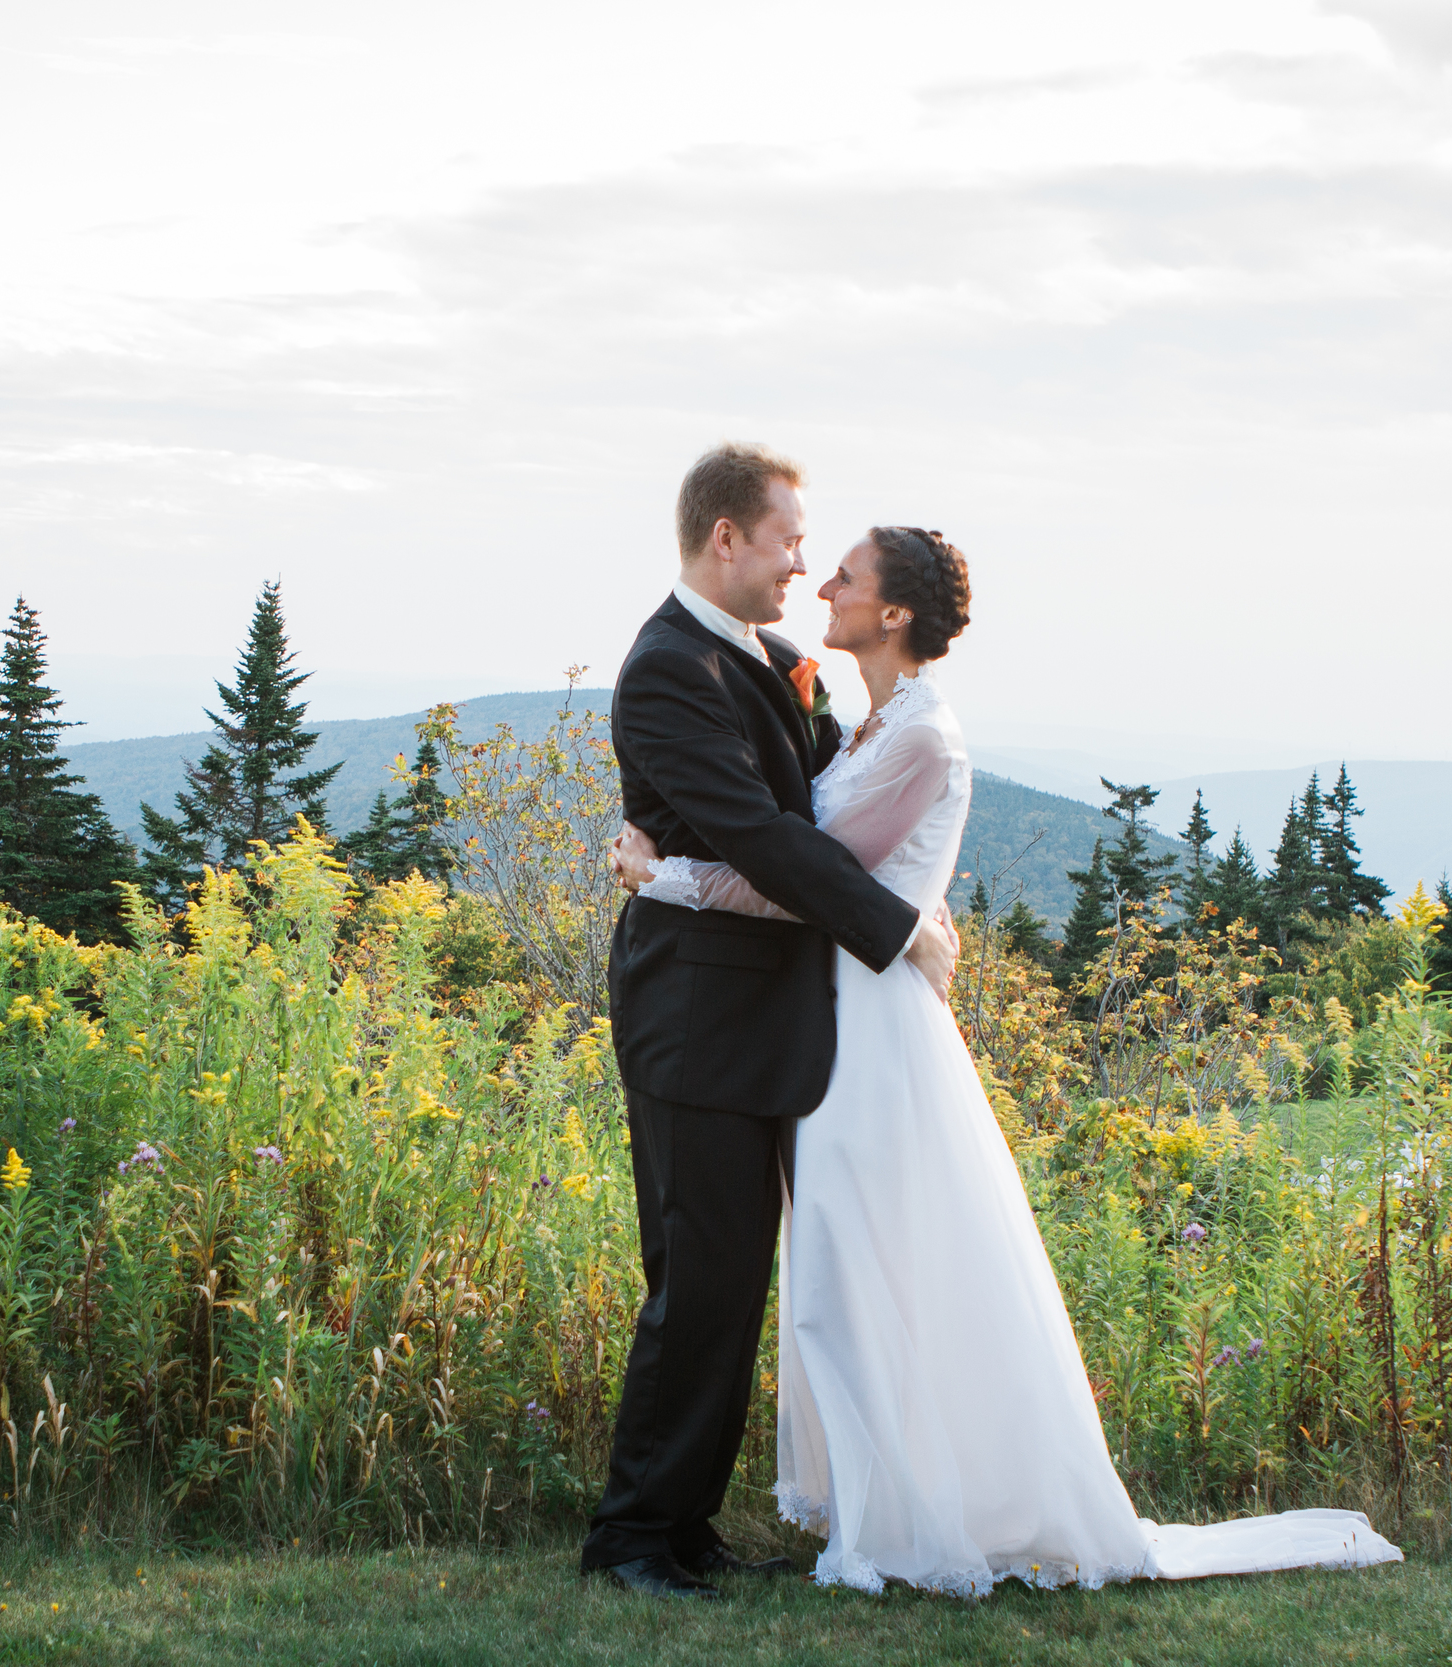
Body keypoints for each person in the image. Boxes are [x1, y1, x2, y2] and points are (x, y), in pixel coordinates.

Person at [610, 523, 1404, 1595]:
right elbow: (788, 834)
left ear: (892, 613)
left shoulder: (923, 734)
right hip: (819, 1018)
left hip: (867, 1030)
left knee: (867, 1267)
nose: (820, 580)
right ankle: (864, 1505)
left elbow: (798, 873)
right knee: (839, 1272)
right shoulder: (855, 719)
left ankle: (910, 1510)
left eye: (843, 571)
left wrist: (662, 875)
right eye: (810, 552)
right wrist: (898, 909)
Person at [580, 444, 963, 1599]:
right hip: (695, 1015)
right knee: (694, 1276)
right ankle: (632, 1534)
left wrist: (910, 899)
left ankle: (686, 1520)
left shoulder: (783, 659)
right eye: (791, 538)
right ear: (725, 538)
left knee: (734, 1277)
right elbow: (761, 836)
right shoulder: (663, 670)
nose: (804, 559)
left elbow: (838, 817)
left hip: (769, 1020)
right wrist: (894, 929)